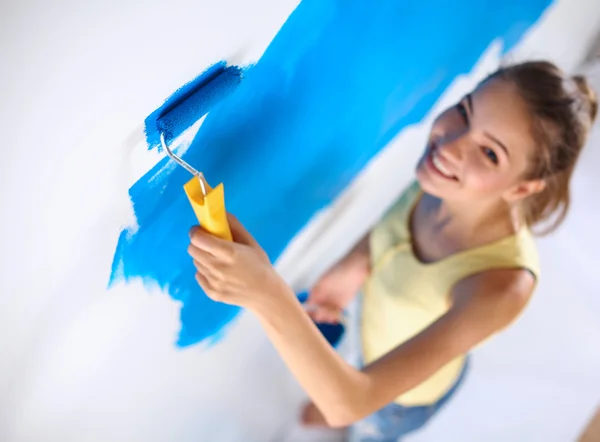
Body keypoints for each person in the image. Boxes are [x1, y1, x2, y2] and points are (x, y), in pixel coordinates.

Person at [186, 60, 597, 441]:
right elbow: (394, 225)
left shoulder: (504, 285)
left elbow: (352, 402)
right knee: (341, 390)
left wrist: (265, 294)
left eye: (490, 153)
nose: (451, 145)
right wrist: (353, 266)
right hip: (373, 342)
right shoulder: (440, 180)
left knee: (366, 423)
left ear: (522, 189)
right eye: (466, 111)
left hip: (401, 403)